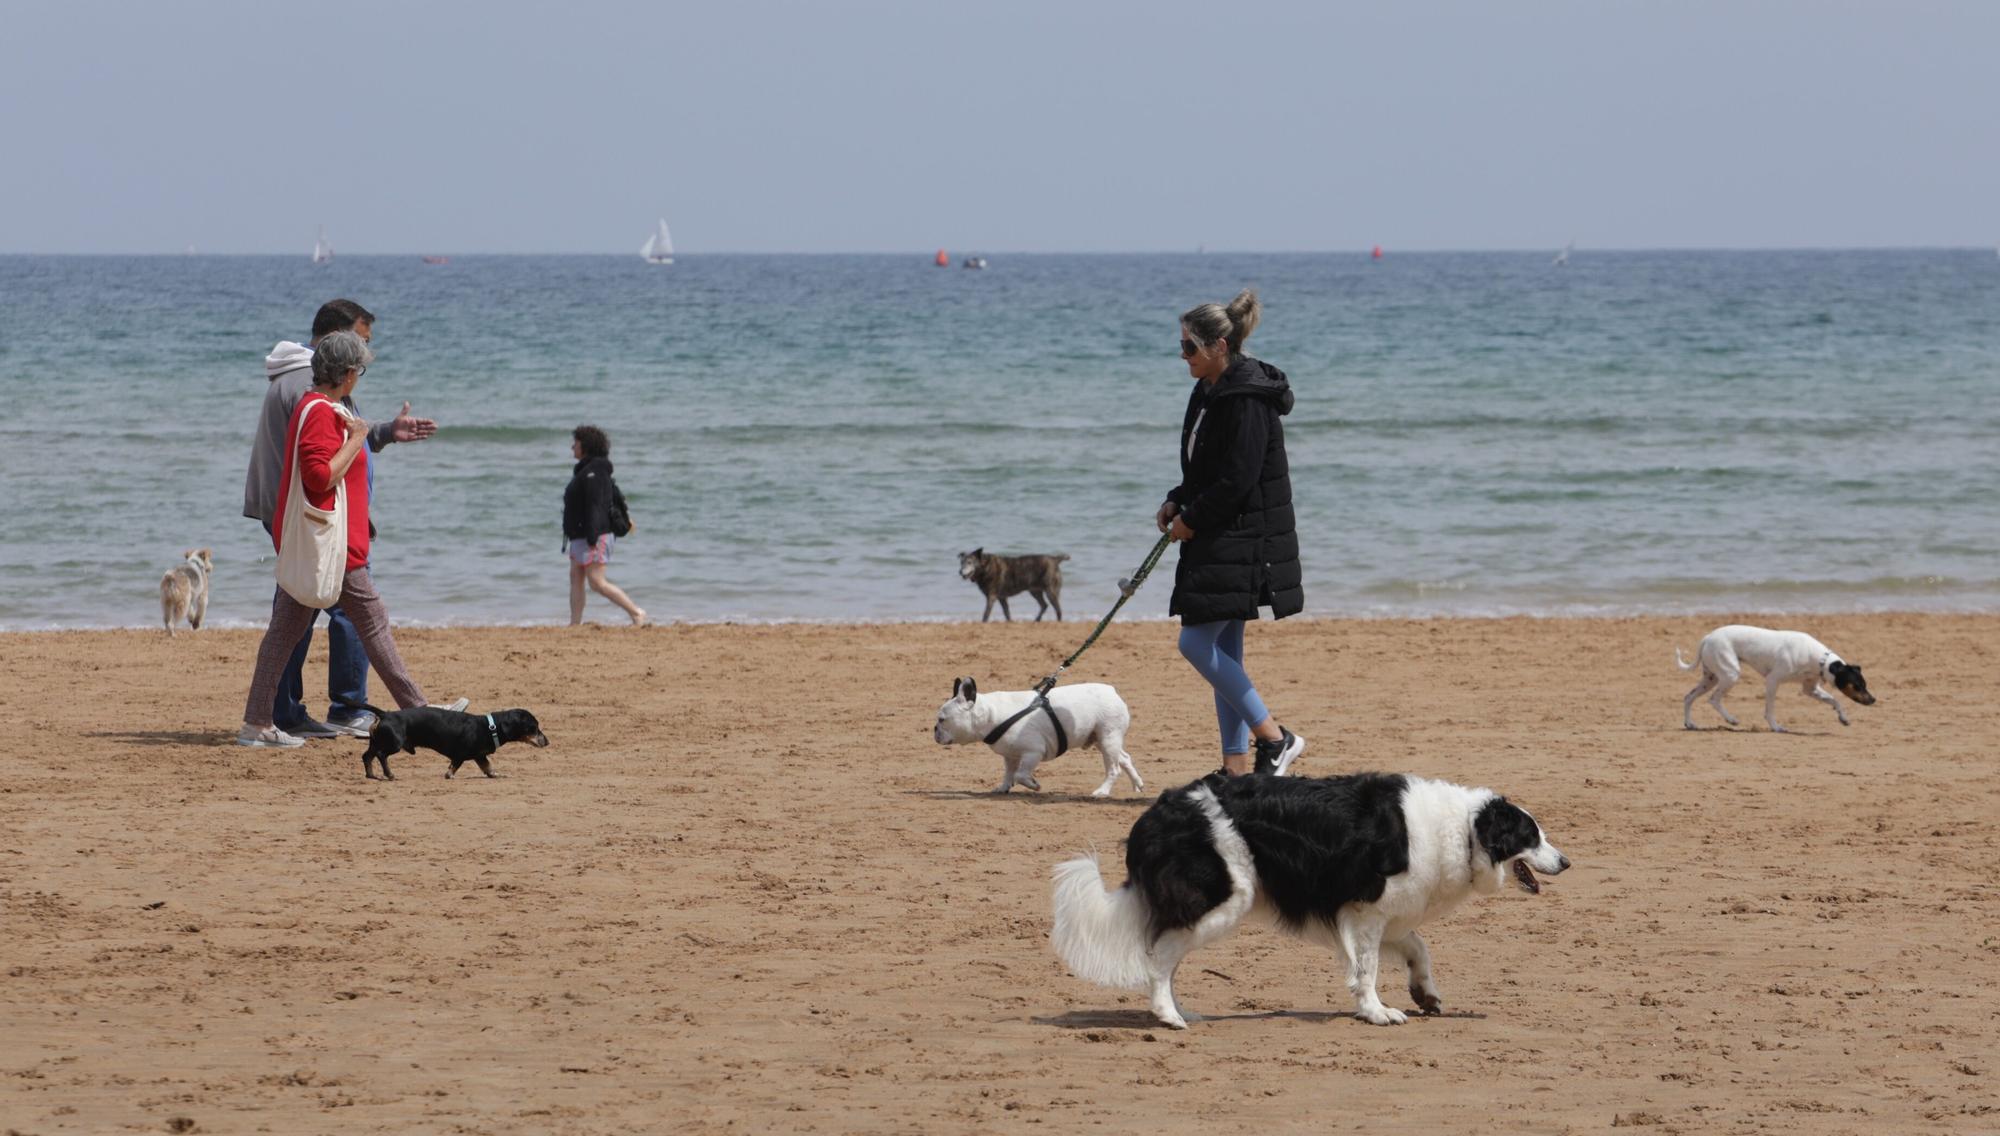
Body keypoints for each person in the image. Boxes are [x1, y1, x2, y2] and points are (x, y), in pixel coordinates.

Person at [237, 332, 463, 747]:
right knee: (372, 626)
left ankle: (256, 724)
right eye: (358, 370)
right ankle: (426, 716)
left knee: (286, 632)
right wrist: (358, 437)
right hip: (334, 550)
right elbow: (320, 477)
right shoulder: (321, 411)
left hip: (330, 545)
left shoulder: (319, 407)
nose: (359, 378)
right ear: (345, 374)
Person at [1156, 289, 1307, 778]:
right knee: (1225, 651)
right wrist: (1178, 497)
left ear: (1219, 346)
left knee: (1195, 644)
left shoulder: (1244, 400)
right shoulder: (1209, 390)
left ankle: (1275, 739)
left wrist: (1192, 520)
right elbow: (1207, 466)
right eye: (1182, 346)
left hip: (1242, 536)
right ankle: (1236, 769)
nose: (1183, 356)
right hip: (1220, 531)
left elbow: (1238, 480)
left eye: (1189, 348)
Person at [563, 425, 647, 627]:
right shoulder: (585, 470)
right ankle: (575, 624)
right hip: (580, 534)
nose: (572, 446)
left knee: (596, 582)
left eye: (576, 443)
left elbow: (596, 505)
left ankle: (636, 613)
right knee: (576, 577)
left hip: (595, 534)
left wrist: (592, 537)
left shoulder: (596, 471)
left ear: (586, 446)